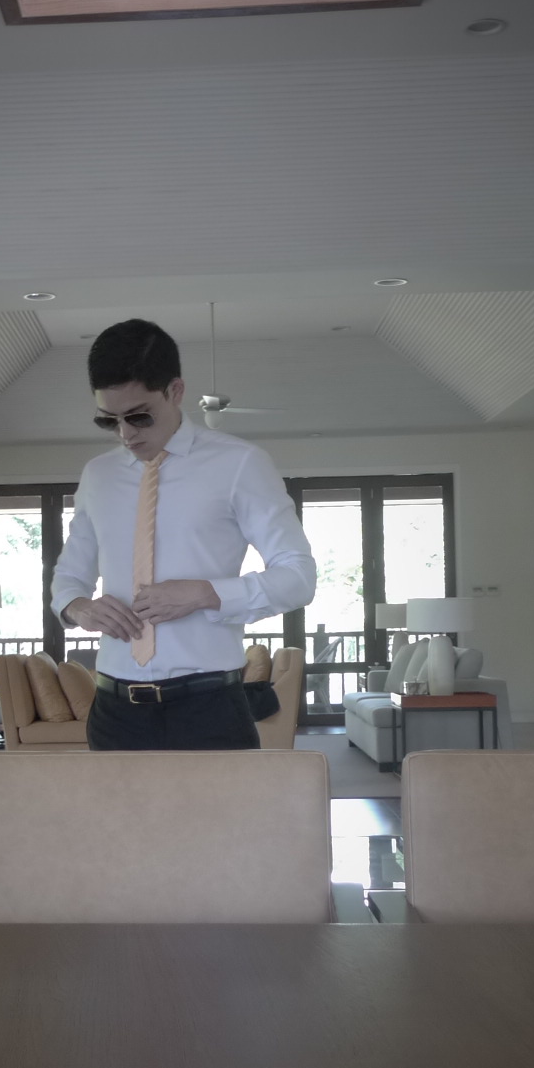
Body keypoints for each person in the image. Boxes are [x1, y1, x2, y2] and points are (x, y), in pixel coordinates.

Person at [53, 319, 316, 750]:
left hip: (209, 708)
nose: (126, 434)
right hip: (113, 711)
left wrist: (205, 594)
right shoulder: (97, 476)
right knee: (112, 823)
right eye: (109, 421)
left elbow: (299, 577)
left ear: (175, 391)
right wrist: (77, 607)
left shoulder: (240, 464)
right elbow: (68, 578)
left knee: (224, 822)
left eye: (139, 416)